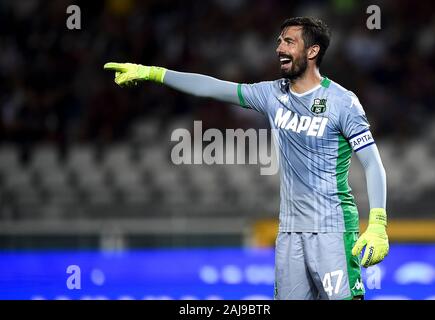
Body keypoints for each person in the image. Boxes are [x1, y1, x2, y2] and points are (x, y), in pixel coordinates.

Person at [104, 16, 388, 300]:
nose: (279, 48)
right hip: (289, 232)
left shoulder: (342, 102)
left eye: (289, 41)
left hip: (332, 229)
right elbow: (212, 87)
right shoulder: (271, 94)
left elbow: (372, 162)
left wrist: (377, 223)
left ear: (312, 51)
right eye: (279, 41)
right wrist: (153, 72)